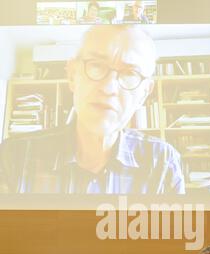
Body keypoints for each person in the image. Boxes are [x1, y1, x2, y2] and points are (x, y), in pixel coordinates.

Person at [0, 26, 184, 194]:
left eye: (130, 74)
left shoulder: (163, 162)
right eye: (96, 65)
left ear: (144, 94)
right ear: (72, 75)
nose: (109, 88)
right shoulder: (13, 157)